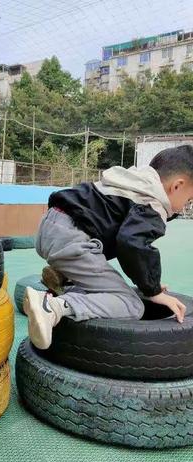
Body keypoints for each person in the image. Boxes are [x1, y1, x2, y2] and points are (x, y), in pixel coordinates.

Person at [24, 145, 193, 350]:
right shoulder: (152, 203)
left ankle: (63, 275)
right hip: (72, 239)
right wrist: (153, 290)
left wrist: (147, 281)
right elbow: (133, 244)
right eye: (189, 199)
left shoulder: (132, 182)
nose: (185, 206)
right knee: (131, 304)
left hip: (51, 226)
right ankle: (51, 306)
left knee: (107, 240)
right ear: (177, 185)